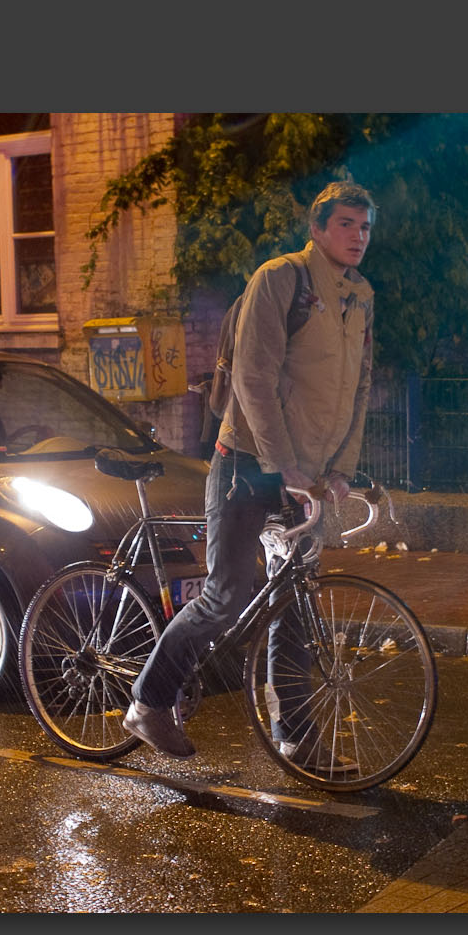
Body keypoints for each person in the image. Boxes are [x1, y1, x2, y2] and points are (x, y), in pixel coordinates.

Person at [122, 180, 378, 772]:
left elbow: (359, 390)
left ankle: (295, 735)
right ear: (317, 228)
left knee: (296, 601)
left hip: (305, 474)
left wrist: (338, 470)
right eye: (345, 224)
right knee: (228, 591)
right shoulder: (279, 279)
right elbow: (253, 380)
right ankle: (148, 700)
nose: (357, 236)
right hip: (245, 459)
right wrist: (281, 463)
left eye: (365, 227)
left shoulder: (360, 296)